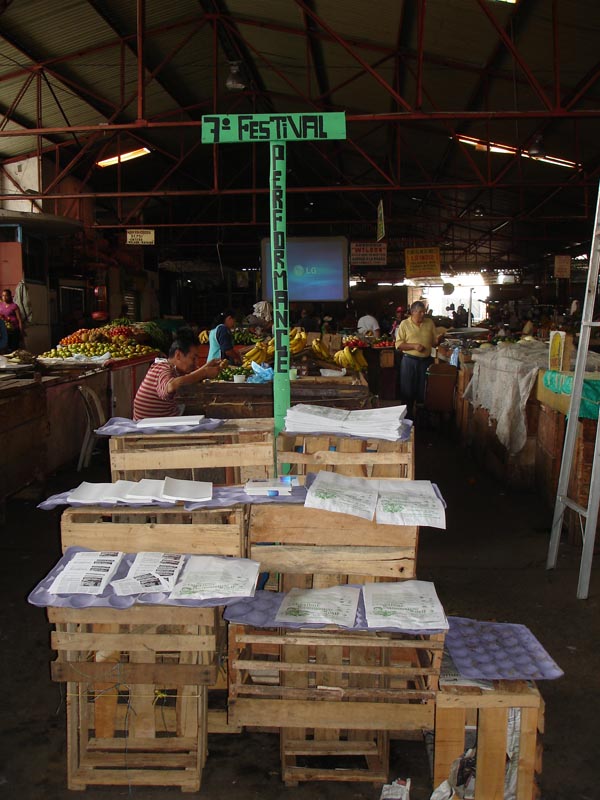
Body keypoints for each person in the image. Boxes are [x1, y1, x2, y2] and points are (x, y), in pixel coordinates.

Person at [133, 328, 220, 420]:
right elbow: (171, 385)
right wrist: (204, 373)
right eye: (193, 358)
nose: (196, 363)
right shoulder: (163, 369)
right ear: (178, 355)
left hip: (163, 417)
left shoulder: (167, 366)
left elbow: (186, 377)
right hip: (154, 426)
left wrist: (207, 366)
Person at [395, 300, 441, 420]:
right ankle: (406, 418)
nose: (422, 315)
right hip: (409, 361)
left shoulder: (429, 323)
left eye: (423, 312)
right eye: (420, 312)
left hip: (426, 361)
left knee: (423, 390)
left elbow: (434, 341)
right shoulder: (404, 324)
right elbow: (399, 345)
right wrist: (414, 346)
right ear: (412, 312)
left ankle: (421, 419)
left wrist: (439, 339)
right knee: (407, 390)